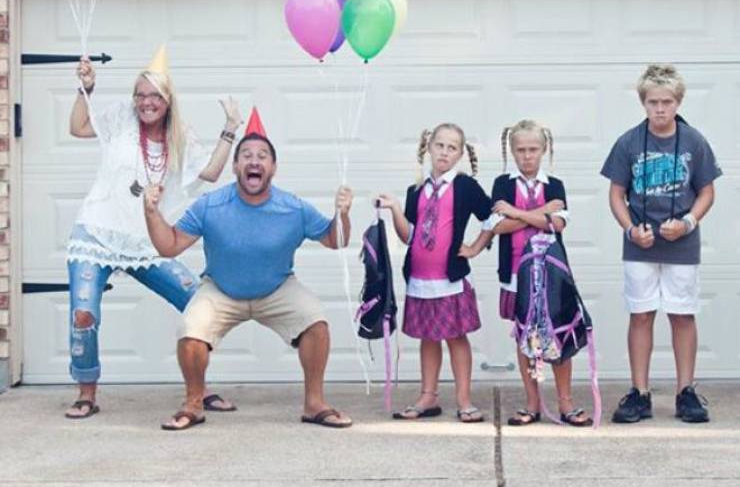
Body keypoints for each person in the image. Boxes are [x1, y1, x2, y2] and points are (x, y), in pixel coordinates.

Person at [144, 109, 354, 430]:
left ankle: (314, 404)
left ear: (273, 168)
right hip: (222, 288)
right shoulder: (210, 205)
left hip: (277, 287)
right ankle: (194, 404)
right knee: (191, 331)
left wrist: (342, 214)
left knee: (316, 322)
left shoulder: (293, 207)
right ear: (235, 167)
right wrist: (151, 212)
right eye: (246, 155)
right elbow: (168, 246)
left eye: (262, 156)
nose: (254, 161)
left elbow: (334, 239)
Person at [64, 46, 240, 418]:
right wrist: (86, 89)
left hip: (145, 240)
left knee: (198, 303)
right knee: (84, 314)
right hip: (97, 233)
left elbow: (208, 172)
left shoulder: (180, 136)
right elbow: (78, 127)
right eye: (140, 95)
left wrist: (230, 129)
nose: (146, 102)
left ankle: (199, 388)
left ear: (167, 100)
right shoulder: (120, 119)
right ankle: (86, 392)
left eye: (154, 95)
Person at [601, 64, 721, 423]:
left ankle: (686, 392)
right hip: (641, 245)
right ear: (643, 103)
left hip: (682, 246)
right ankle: (640, 393)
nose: (660, 109)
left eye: (667, 101)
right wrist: (629, 229)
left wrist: (687, 222)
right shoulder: (629, 142)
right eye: (653, 102)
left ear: (678, 101)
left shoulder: (694, 141)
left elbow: (707, 191)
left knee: (683, 315)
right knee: (641, 315)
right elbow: (616, 194)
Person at [468, 119, 592, 426]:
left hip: (551, 274)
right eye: (521, 150)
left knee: (558, 333)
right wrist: (540, 215)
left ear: (544, 149)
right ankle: (532, 402)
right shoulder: (502, 184)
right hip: (515, 273)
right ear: (512, 151)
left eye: (533, 149)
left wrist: (517, 213)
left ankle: (565, 402)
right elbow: (499, 226)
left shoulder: (555, 185)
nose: (527, 156)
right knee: (525, 337)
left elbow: (558, 224)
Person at [377, 123, 490, 423]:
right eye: (440, 145)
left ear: (460, 154)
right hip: (420, 278)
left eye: (452, 147)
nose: (444, 152)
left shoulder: (466, 187)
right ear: (429, 147)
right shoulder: (416, 189)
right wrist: (395, 210)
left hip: (449, 278)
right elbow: (408, 235)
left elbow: (493, 216)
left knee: (455, 336)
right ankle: (428, 396)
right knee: (428, 337)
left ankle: (464, 399)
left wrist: (477, 246)